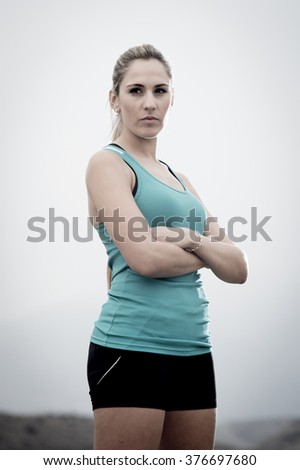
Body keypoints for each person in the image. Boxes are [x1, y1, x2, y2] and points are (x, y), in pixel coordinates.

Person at [85, 44, 248, 450]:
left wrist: (187, 237)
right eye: (136, 90)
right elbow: (145, 258)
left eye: (160, 91)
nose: (149, 103)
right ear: (114, 99)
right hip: (130, 349)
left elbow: (238, 267)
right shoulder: (108, 164)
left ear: (171, 98)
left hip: (194, 349)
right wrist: (206, 252)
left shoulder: (180, 178)